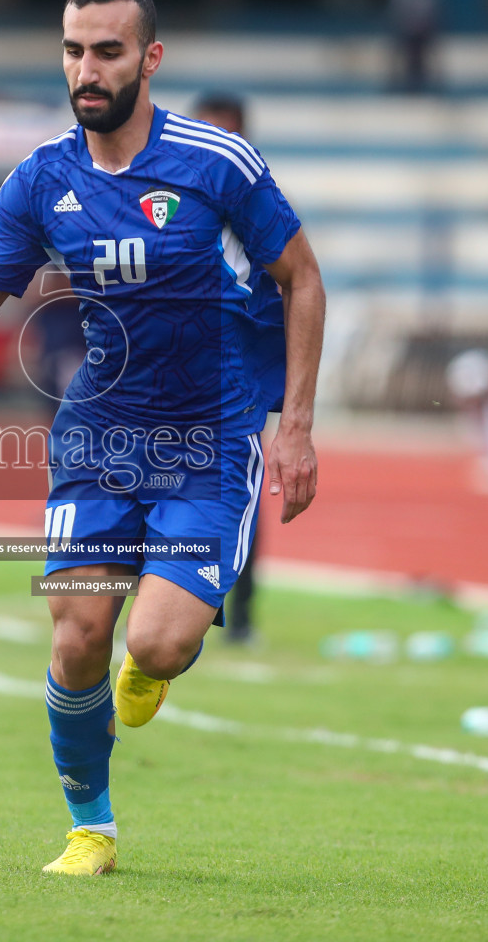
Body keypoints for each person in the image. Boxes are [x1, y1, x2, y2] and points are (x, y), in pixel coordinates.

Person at [0, 0, 324, 875]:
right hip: (97, 441)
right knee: (78, 635)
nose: (87, 69)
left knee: (153, 642)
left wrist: (296, 424)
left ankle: (158, 662)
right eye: (75, 51)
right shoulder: (44, 178)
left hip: (206, 439)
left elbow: (301, 279)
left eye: (108, 51)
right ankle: (92, 827)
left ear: (149, 59)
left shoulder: (217, 163)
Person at [192, 92, 270, 644]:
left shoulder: (260, 203)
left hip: (232, 376)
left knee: (239, 497)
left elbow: (292, 284)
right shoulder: (164, 194)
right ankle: (144, 614)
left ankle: (239, 617)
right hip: (161, 375)